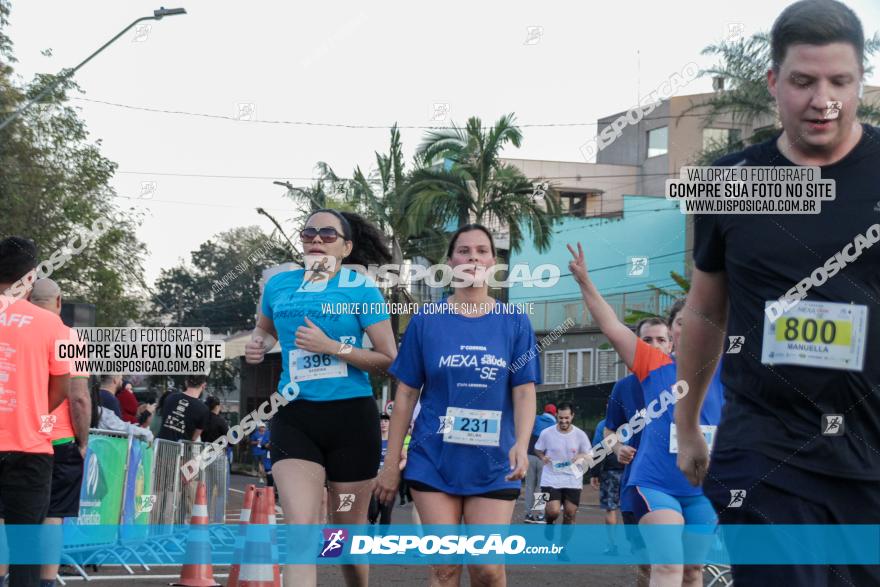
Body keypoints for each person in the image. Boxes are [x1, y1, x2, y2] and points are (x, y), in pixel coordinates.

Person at [675, 2, 880, 585]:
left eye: (839, 81)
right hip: (765, 445)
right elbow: (706, 312)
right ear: (773, 82)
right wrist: (688, 423)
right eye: (803, 81)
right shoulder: (732, 181)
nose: (823, 99)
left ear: (859, 80)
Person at [374, 224, 540, 587]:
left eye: (482, 251)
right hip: (433, 459)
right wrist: (390, 464)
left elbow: (524, 391)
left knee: (487, 569)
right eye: (464, 251)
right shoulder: (426, 320)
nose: (473, 258)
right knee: (444, 569)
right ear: (450, 262)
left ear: (493, 262)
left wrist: (522, 446)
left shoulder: (514, 322)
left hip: (496, 462)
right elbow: (405, 394)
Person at [245, 209, 397, 587]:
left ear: (346, 247)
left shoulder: (361, 289)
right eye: (309, 232)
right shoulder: (279, 286)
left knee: (344, 537)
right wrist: (257, 345)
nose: (316, 239)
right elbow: (264, 331)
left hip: (351, 421)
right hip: (294, 417)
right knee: (300, 527)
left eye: (328, 234)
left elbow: (389, 360)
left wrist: (332, 347)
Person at [568, 242, 724, 587]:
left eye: (701, 320)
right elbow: (610, 325)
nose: (691, 327)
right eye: (682, 322)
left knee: (693, 572)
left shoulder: (728, 369)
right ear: (672, 332)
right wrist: (584, 281)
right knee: (667, 567)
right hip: (655, 484)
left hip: (704, 489)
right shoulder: (653, 364)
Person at [0, 278, 91, 587]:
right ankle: (46, 581)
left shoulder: (9, 323)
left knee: (3, 517)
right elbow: (78, 396)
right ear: (59, 301)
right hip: (59, 439)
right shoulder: (65, 334)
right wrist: (83, 441)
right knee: (52, 517)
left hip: (13, 436)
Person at [604, 316, 673, 587]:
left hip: (682, 488)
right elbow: (610, 431)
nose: (654, 345)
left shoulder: (690, 382)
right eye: (647, 340)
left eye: (661, 339)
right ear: (636, 344)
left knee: (684, 565)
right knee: (645, 563)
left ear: (671, 344)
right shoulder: (623, 387)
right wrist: (618, 447)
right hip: (637, 487)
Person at [534, 402, 591, 527]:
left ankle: (563, 545)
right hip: (550, 477)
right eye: (560, 418)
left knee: (570, 513)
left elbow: (590, 454)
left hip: (572, 478)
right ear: (556, 416)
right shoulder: (546, 433)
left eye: (567, 418)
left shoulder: (580, 435)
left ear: (572, 416)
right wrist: (543, 457)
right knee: (553, 511)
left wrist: (581, 456)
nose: (563, 421)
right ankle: (549, 521)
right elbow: (537, 449)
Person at [589, 417, 623, 556]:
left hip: (611, 470)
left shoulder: (603, 424)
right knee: (634, 509)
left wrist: (594, 473)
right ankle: (638, 546)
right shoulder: (636, 419)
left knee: (611, 509)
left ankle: (612, 545)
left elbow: (597, 450)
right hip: (633, 470)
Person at [524, 403, 557, 523]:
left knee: (529, 486)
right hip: (544, 459)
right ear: (554, 414)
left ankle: (528, 515)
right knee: (541, 487)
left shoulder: (535, 419)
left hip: (530, 456)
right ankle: (540, 515)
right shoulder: (554, 425)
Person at [157, 375, 209, 442]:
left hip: (160, 446)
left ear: (186, 383)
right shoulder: (203, 409)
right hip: (181, 449)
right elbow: (194, 438)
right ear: (204, 385)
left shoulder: (170, 397)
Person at [367, 413, 393, 525]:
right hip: (374, 482)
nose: (383, 423)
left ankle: (383, 540)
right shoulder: (372, 440)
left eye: (386, 421)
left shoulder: (393, 442)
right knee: (373, 512)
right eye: (381, 421)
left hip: (388, 481)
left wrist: (393, 469)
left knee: (386, 516)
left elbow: (404, 459)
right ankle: (370, 537)